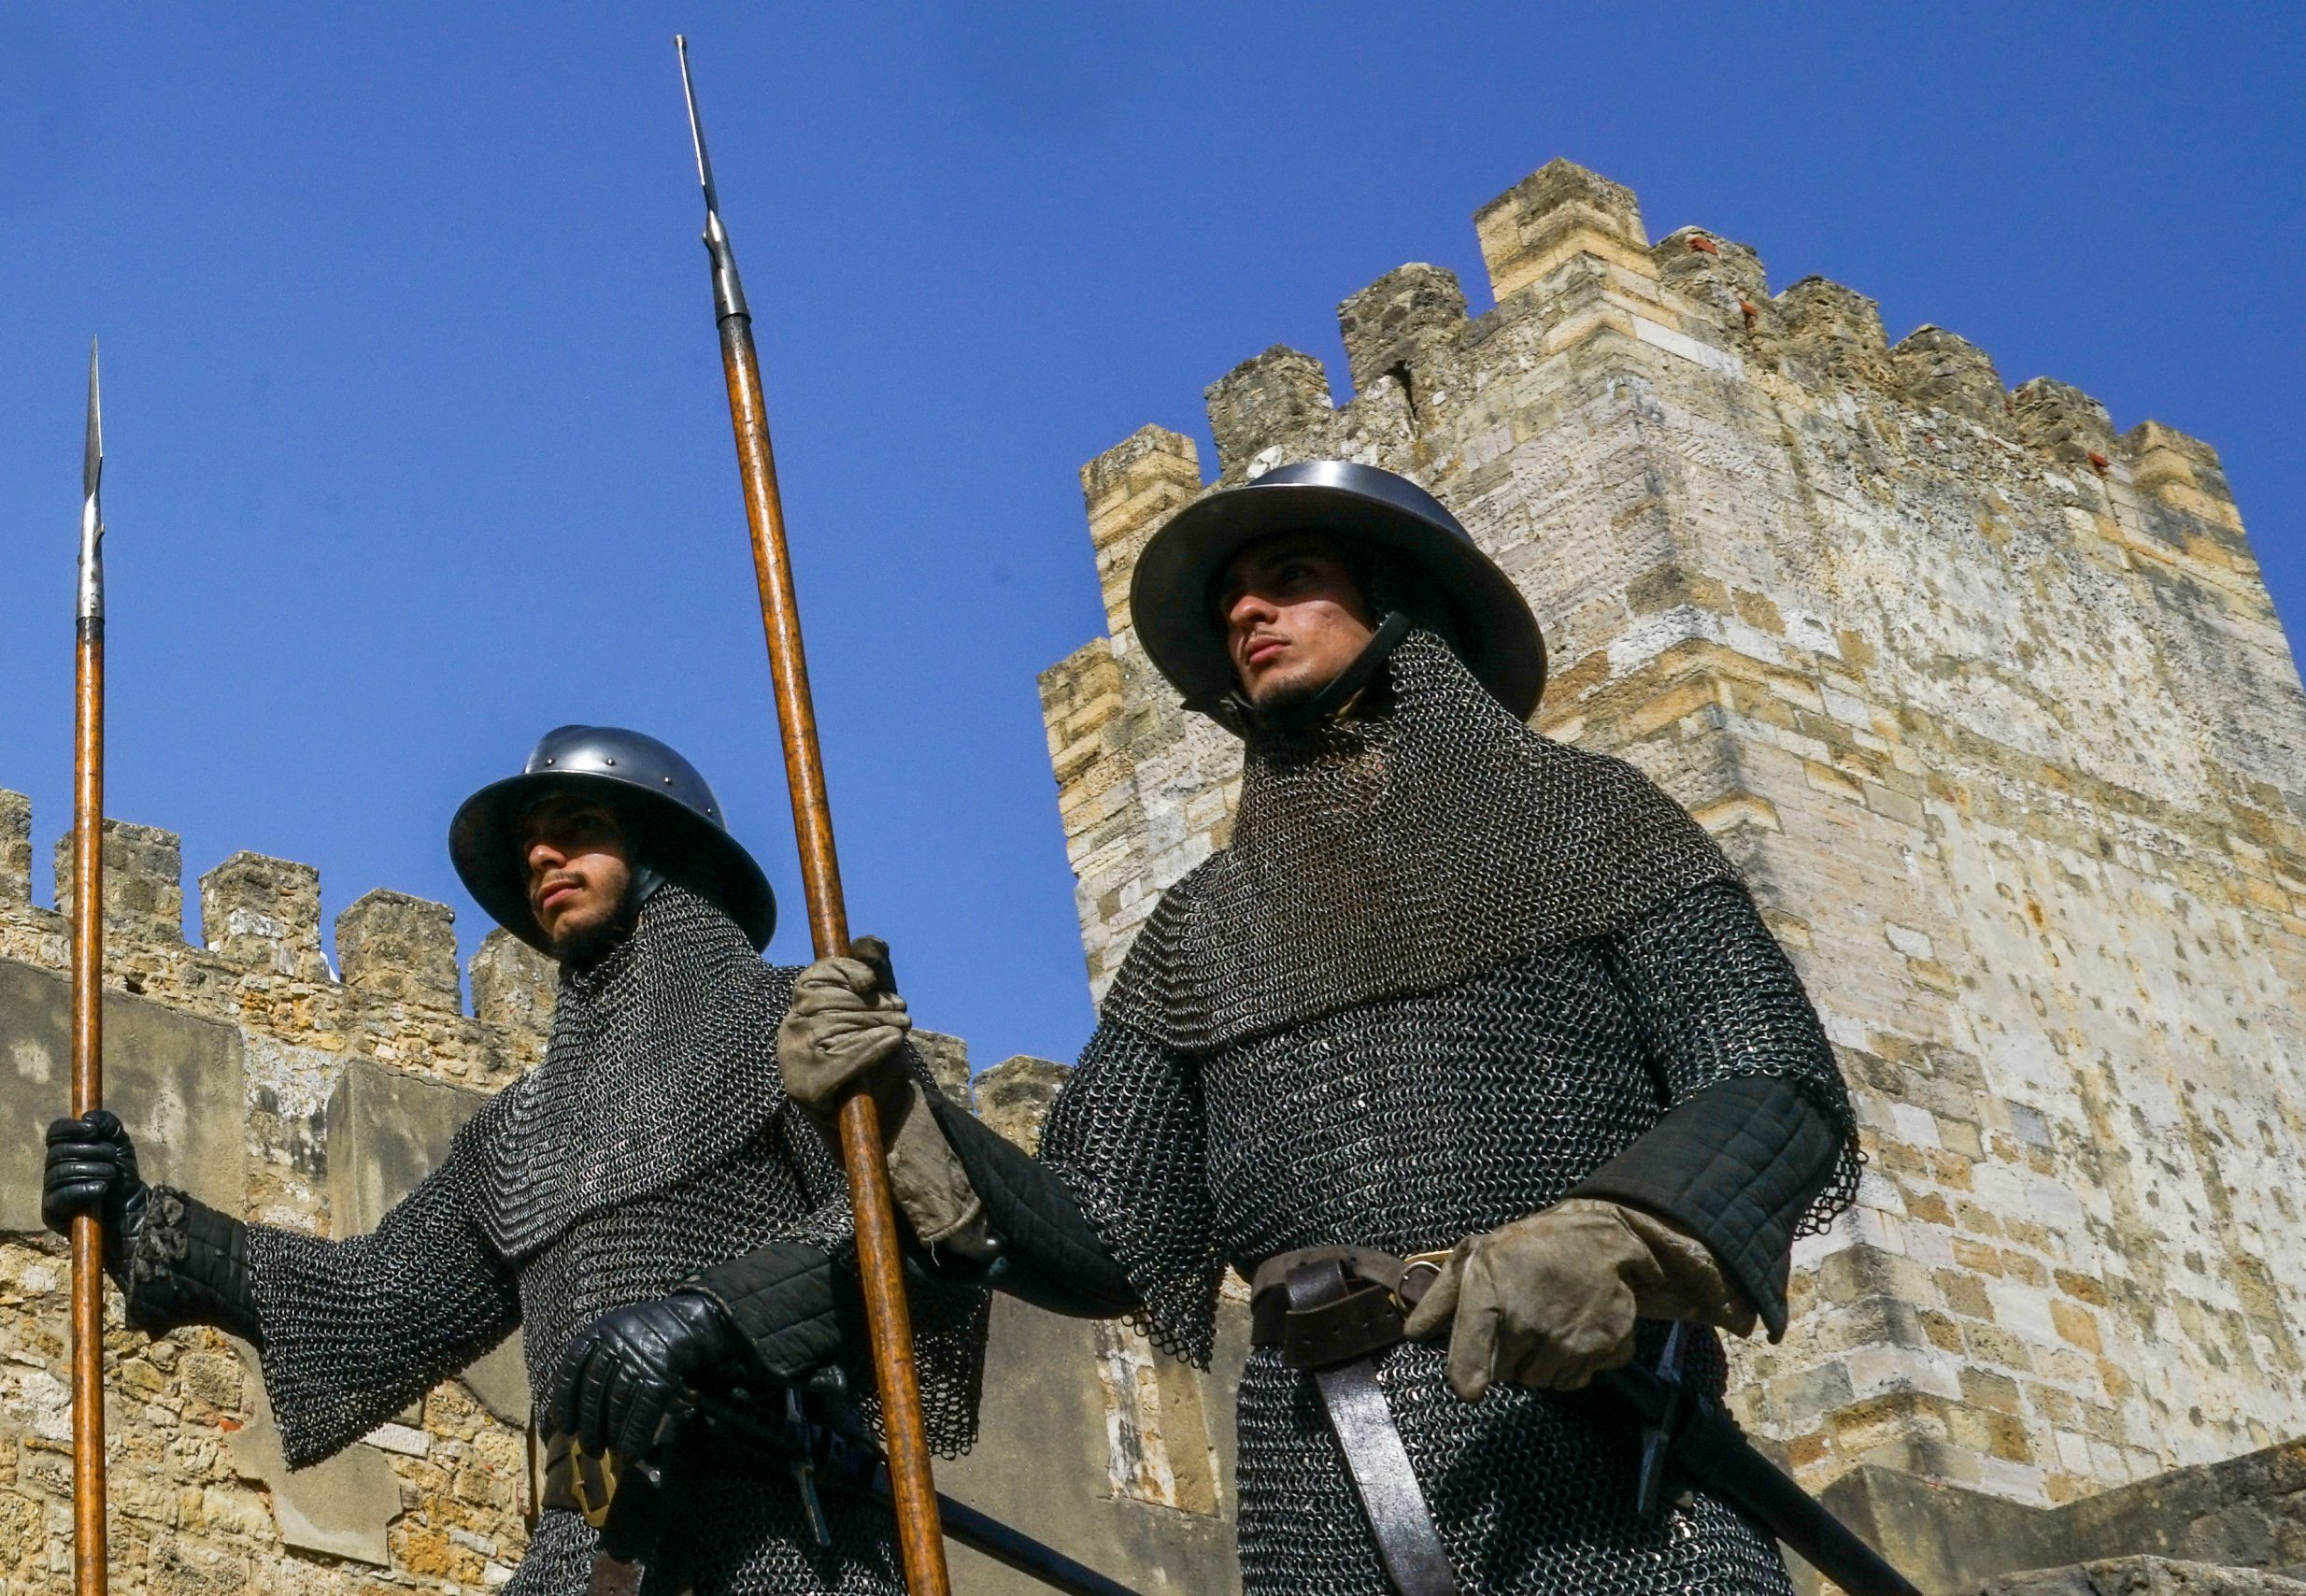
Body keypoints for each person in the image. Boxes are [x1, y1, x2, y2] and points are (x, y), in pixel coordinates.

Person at [779, 461, 1860, 1596]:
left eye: (1289, 578)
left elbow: (1772, 1083)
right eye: (1230, 599)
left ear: (1398, 598)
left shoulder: (1591, 822)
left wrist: (1615, 1237)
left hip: (1604, 1466)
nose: (1245, 612)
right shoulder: (1203, 931)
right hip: (1326, 1488)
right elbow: (1102, 1234)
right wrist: (899, 1102)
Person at [44, 727, 984, 1596]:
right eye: (531, 843)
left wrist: (713, 1321)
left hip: (786, 1531)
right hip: (590, 1550)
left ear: (667, 852)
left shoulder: (793, 1026)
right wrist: (144, 1225)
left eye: (578, 828)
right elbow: (377, 1301)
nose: (542, 857)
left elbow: (921, 1236)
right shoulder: (521, 1132)